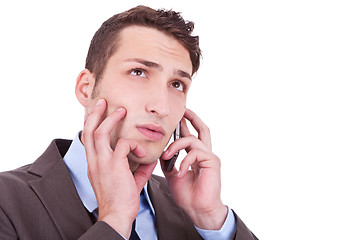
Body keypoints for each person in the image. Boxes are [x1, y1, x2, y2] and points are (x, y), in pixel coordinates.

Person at [0, 5, 257, 240]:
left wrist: (211, 218)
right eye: (138, 72)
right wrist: (115, 221)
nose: (162, 107)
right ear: (86, 89)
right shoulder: (7, 201)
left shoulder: (194, 210)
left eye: (177, 85)